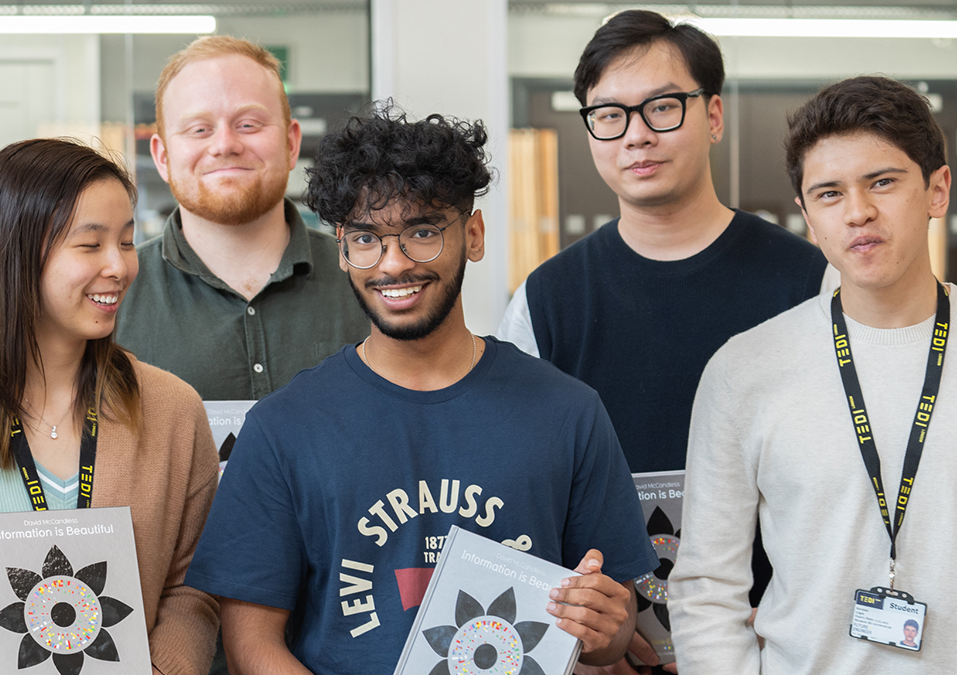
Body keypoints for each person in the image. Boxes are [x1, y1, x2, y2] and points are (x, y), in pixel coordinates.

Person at [183, 106, 659, 675]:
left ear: (473, 235)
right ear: (342, 250)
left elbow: (613, 625)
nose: (394, 263)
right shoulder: (284, 427)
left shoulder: (567, 412)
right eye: (366, 238)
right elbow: (251, 645)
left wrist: (607, 628)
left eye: (423, 232)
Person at [669, 76, 957, 674]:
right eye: (829, 193)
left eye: (882, 182)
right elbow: (705, 587)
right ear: (806, 213)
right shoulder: (744, 370)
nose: (858, 212)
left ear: (937, 190)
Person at [496, 11, 829, 670]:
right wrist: (581, 640)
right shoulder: (545, 300)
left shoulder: (811, 282)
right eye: (610, 115)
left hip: (779, 647)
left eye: (662, 107)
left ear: (712, 117)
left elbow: (854, 472)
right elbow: (518, 487)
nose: (637, 135)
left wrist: (804, 612)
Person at [0, 139, 220, 675]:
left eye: (126, 242)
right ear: (15, 250)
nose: (120, 266)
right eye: (90, 244)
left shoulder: (173, 409)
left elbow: (193, 588)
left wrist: (163, 669)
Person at [115, 35, 369, 401]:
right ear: (163, 157)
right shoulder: (114, 296)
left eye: (248, 124)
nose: (225, 144)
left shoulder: (367, 279)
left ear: (291, 143)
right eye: (199, 129)